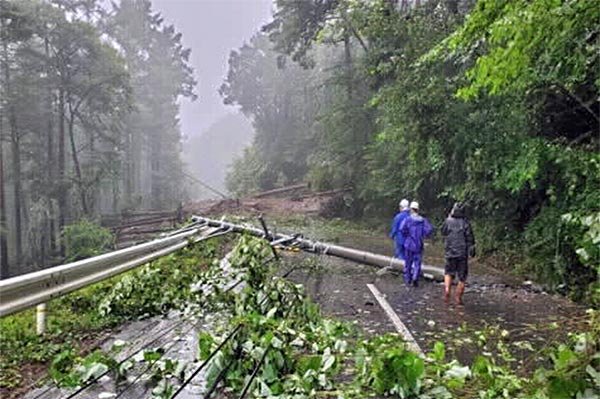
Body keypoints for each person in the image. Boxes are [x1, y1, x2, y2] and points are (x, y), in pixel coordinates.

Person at [441, 202, 475, 305]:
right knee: (462, 277)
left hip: (450, 252)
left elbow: (443, 232)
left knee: (448, 273)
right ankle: (458, 298)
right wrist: (471, 249)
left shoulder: (448, 221)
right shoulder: (466, 223)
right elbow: (470, 238)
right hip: (462, 254)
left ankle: (447, 290)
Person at [400, 201, 433, 287]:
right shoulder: (423, 220)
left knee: (408, 263)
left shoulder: (408, 219)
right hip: (419, 244)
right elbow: (429, 230)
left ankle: (408, 280)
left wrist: (406, 234)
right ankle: (415, 278)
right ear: (418, 209)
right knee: (417, 263)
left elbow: (402, 229)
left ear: (411, 209)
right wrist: (423, 235)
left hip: (409, 244)